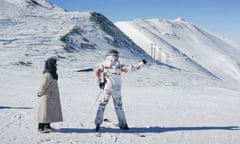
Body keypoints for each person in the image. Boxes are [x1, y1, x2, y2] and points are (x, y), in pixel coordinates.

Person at [94, 49, 147, 132]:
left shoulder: (103, 64)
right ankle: (123, 124)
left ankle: (97, 123)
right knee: (119, 107)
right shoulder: (119, 65)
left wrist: (100, 82)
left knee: (102, 105)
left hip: (107, 87)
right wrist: (141, 63)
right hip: (117, 88)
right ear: (116, 55)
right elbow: (131, 69)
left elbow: (97, 72)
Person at [37, 57, 63, 133]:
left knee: (50, 111)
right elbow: (43, 85)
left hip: (53, 96)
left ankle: (47, 125)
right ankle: (40, 127)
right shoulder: (47, 74)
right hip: (47, 96)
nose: (56, 65)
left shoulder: (53, 73)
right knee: (44, 112)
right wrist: (40, 93)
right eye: (55, 63)